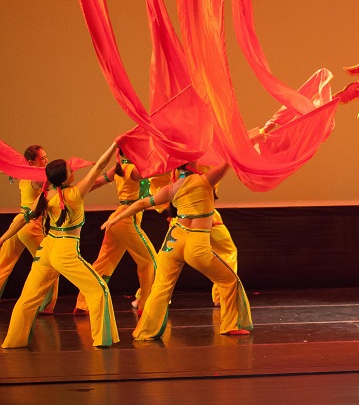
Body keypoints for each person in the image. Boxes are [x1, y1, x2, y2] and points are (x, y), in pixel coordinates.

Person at [103, 162, 252, 340]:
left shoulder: (171, 188)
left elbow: (142, 203)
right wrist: (257, 136)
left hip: (173, 241)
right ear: (192, 164)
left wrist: (116, 218)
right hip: (195, 243)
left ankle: (146, 331)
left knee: (160, 287)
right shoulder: (205, 180)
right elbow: (229, 158)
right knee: (229, 280)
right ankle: (231, 325)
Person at [2, 142, 120, 348]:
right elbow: (99, 166)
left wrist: (3, 238)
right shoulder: (74, 194)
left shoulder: (46, 196)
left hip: (47, 248)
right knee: (99, 289)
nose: (73, 171)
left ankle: (13, 342)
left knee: (28, 299)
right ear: (66, 177)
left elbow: (22, 219)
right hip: (64, 250)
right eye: (70, 170)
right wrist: (115, 144)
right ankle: (102, 340)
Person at [74, 154, 159, 315]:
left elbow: (98, 181)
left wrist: (76, 193)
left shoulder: (120, 166)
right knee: (149, 261)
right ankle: (146, 304)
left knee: (104, 262)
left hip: (118, 218)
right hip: (127, 218)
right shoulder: (133, 169)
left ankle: (83, 302)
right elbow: (151, 172)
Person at [0, 145, 60, 313]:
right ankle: (46, 306)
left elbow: (9, 172)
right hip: (30, 226)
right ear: (32, 162)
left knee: (3, 264)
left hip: (18, 221)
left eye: (46, 157)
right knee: (49, 265)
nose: (46, 160)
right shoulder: (37, 179)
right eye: (43, 158)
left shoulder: (23, 174)